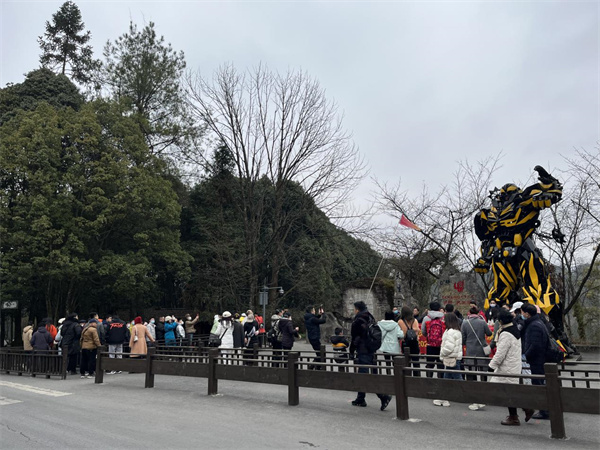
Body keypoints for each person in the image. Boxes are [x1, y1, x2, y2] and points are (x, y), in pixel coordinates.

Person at [489, 309, 534, 425]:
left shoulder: (505, 334)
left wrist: (491, 366)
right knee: (510, 391)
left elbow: (500, 354)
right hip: (513, 365)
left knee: (508, 392)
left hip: (507, 367)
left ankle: (514, 416)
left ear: (501, 321)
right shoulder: (514, 329)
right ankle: (524, 409)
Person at [350, 301, 392, 410]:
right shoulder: (370, 317)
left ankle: (383, 396)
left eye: (354, 308)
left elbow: (354, 338)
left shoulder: (358, 320)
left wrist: (351, 352)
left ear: (357, 309)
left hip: (363, 350)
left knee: (364, 375)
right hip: (371, 349)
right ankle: (361, 398)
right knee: (366, 374)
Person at [522, 302, 550, 420]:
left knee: (538, 384)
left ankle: (544, 411)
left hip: (537, 361)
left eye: (522, 312)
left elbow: (535, 345)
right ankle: (544, 409)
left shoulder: (534, 325)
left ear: (527, 314)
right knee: (540, 384)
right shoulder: (538, 322)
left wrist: (526, 355)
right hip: (539, 360)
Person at [462, 305, 492, 410]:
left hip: (470, 350)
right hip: (481, 350)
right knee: (483, 371)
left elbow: (463, 338)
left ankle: (472, 392)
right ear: (478, 312)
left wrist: (468, 341)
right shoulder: (482, 322)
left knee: (471, 371)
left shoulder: (465, 323)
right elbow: (489, 333)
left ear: (469, 313)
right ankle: (484, 391)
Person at [435, 312, 464, 407]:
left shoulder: (450, 332)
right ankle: (443, 398)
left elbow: (448, 347)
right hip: (455, 358)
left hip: (450, 358)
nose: (443, 321)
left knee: (455, 379)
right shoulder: (457, 331)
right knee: (449, 378)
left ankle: (469, 396)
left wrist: (442, 353)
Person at [421, 301, 445, 378]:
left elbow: (423, 331)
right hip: (441, 344)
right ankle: (440, 381)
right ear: (439, 308)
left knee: (429, 364)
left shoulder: (426, 318)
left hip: (430, 344)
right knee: (440, 365)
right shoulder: (443, 317)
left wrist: (429, 336)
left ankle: (429, 380)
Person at [398, 306, 421, 376]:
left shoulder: (400, 321)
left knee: (406, 361)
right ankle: (417, 377)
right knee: (416, 361)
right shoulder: (415, 320)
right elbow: (417, 332)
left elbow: (403, 334)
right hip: (414, 343)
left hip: (406, 343)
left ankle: (408, 377)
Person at [304, 305, 327, 370]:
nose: (315, 311)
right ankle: (313, 366)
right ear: (311, 311)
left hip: (311, 337)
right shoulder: (312, 319)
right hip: (315, 337)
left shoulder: (308, 317)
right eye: (314, 310)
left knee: (319, 353)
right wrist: (323, 314)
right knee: (321, 353)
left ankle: (317, 366)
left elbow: (315, 319)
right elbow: (322, 321)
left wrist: (319, 315)